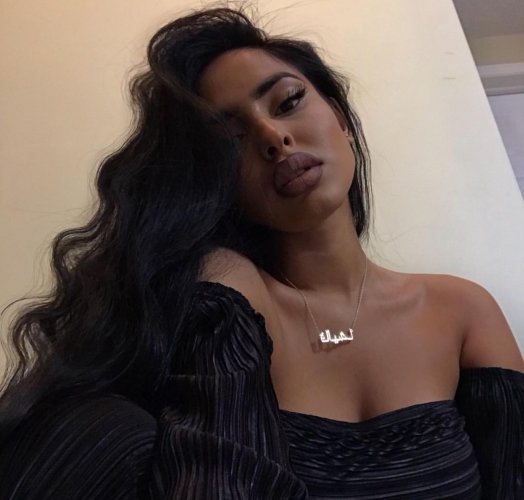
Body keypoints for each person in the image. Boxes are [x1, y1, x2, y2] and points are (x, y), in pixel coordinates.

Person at [0, 6, 523, 500]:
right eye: (231, 139)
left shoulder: (462, 311)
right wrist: (226, 285)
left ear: (340, 117)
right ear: (214, 180)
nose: (274, 138)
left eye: (288, 101)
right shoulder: (227, 306)